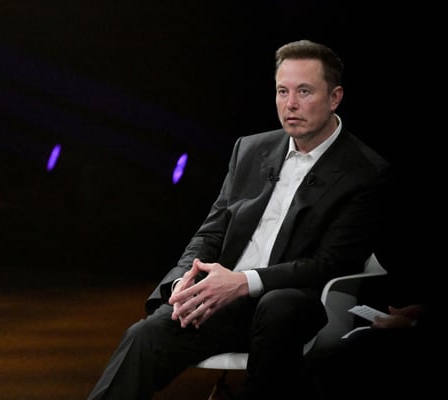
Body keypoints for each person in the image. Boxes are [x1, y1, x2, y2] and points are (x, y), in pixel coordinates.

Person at [87, 39, 392, 400]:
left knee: (277, 307)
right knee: (145, 334)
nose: (290, 104)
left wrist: (244, 282)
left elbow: (330, 263)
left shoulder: (364, 172)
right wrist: (183, 281)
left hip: (296, 305)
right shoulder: (250, 148)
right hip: (223, 300)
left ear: (335, 97)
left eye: (304, 91)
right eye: (282, 91)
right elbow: (211, 231)